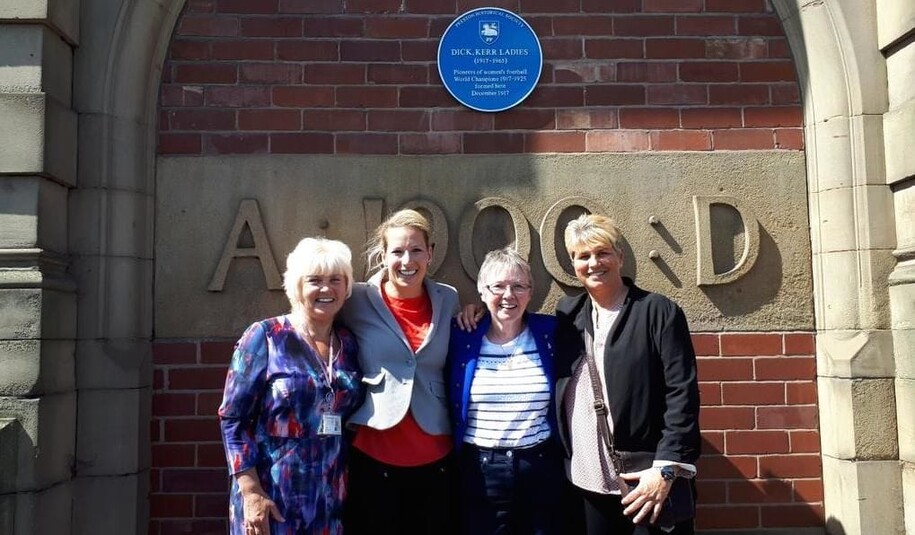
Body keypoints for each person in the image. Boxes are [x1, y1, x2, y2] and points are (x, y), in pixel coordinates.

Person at [555, 214, 700, 535]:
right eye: (583, 256)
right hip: (588, 478)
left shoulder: (658, 311)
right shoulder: (568, 314)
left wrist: (665, 470)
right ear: (574, 264)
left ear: (620, 256)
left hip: (647, 477)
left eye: (602, 252)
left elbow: (682, 394)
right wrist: (477, 311)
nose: (594, 263)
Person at [218, 237, 364, 535]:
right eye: (315, 280)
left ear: (347, 286)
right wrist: (251, 492)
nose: (326, 289)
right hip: (273, 495)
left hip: (329, 497)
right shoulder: (267, 336)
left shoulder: (348, 343)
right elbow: (233, 419)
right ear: (297, 287)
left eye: (336, 279)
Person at [341, 209, 460, 535]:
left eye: (416, 250)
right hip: (373, 453)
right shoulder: (357, 300)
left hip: (435, 455)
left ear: (430, 253)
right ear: (383, 254)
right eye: (397, 251)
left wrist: (474, 312)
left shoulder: (448, 299)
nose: (407, 260)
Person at [447, 247, 566, 535]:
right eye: (498, 286)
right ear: (482, 291)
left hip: (539, 465)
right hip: (480, 470)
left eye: (518, 286)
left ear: (530, 291)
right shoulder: (461, 335)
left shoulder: (551, 331)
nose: (509, 295)